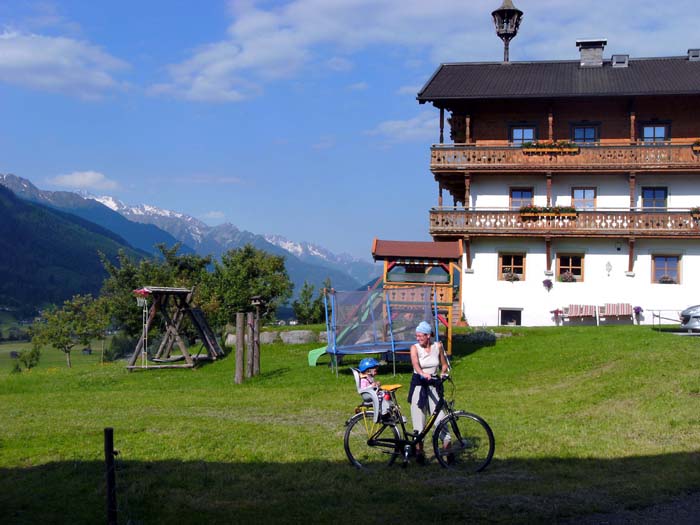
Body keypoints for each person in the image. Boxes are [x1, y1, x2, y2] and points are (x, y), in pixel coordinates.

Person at [408, 321, 450, 462]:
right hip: (419, 386)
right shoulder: (414, 348)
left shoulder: (438, 346)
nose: (418, 338)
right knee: (419, 421)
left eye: (420, 336)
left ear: (428, 335)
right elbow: (415, 364)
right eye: (417, 335)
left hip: (434, 385)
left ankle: (447, 452)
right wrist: (422, 373)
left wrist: (444, 373)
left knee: (441, 419)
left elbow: (444, 365)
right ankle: (419, 453)